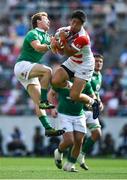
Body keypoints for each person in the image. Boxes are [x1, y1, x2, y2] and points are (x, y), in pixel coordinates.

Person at [14, 12, 64, 137]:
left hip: (29, 71)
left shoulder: (47, 36)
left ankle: (48, 128)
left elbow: (57, 50)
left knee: (38, 103)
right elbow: (38, 47)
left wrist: (59, 44)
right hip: (23, 65)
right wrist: (51, 45)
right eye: (45, 19)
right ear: (38, 22)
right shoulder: (33, 33)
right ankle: (44, 101)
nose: (48, 21)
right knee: (47, 71)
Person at [51, 10, 99, 119]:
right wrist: (55, 45)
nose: (73, 25)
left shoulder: (83, 38)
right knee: (55, 81)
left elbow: (67, 53)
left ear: (82, 25)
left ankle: (93, 102)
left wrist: (62, 39)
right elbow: (61, 52)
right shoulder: (64, 30)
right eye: (72, 22)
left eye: (77, 23)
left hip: (85, 65)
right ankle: (72, 86)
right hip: (73, 60)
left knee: (74, 96)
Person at [48, 78, 95, 172]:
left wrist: (93, 103)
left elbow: (93, 97)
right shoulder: (62, 79)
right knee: (69, 141)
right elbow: (50, 94)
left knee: (79, 141)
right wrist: (52, 109)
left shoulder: (85, 82)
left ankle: (70, 165)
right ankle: (59, 151)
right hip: (64, 114)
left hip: (79, 115)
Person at [77, 54, 104, 170]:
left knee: (97, 133)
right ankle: (68, 159)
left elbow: (96, 93)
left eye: (100, 61)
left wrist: (100, 102)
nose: (98, 63)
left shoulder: (99, 76)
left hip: (91, 110)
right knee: (78, 138)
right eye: (96, 61)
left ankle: (81, 155)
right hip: (81, 109)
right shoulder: (87, 73)